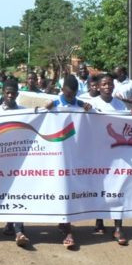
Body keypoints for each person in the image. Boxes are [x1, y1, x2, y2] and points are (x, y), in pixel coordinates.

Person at [45, 74, 91, 249]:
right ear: (62, 89)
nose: (70, 96)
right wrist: (44, 110)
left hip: (73, 155)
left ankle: (67, 228)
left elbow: (89, 115)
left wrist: (88, 109)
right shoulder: (55, 103)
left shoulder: (78, 104)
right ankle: (63, 224)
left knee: (68, 189)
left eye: (74, 94)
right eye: (68, 93)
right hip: (55, 155)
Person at [0, 78, 33, 247]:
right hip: (0, 159)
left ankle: (19, 229)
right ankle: (9, 223)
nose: (10, 95)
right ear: (3, 93)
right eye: (7, 93)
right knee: (6, 191)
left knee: (18, 191)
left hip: (19, 159)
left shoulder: (24, 111)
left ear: (17, 94)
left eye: (13, 93)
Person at [90, 74, 129, 245]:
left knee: (118, 187)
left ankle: (118, 227)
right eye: (104, 84)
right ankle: (99, 221)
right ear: (98, 87)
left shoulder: (120, 105)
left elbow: (128, 125)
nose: (108, 87)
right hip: (98, 153)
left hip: (117, 153)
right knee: (101, 187)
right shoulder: (92, 104)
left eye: (110, 84)